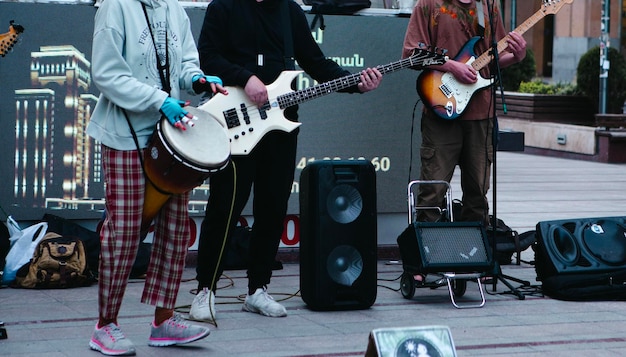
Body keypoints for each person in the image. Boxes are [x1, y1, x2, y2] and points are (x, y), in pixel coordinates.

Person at [189, 0, 383, 323]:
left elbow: (317, 64)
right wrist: (244, 77)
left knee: (273, 208)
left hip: (280, 126)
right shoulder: (223, 6)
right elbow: (207, 57)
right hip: (234, 124)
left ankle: (258, 289)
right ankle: (205, 290)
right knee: (224, 207)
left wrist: (356, 84)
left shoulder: (289, 11)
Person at [87, 0, 227, 355]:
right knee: (124, 233)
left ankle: (164, 320)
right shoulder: (115, 7)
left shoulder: (172, 9)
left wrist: (196, 78)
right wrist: (159, 99)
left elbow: (185, 64)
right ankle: (105, 326)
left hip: (170, 138)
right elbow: (105, 74)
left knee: (175, 230)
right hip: (124, 136)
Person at [402, 0, 526, 227]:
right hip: (440, 111)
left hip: (481, 114)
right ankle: (428, 252)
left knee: (478, 195)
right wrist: (451, 66)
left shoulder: (489, 6)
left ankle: (474, 254)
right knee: (432, 191)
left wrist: (517, 57)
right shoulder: (428, 4)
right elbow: (412, 54)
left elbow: (495, 60)